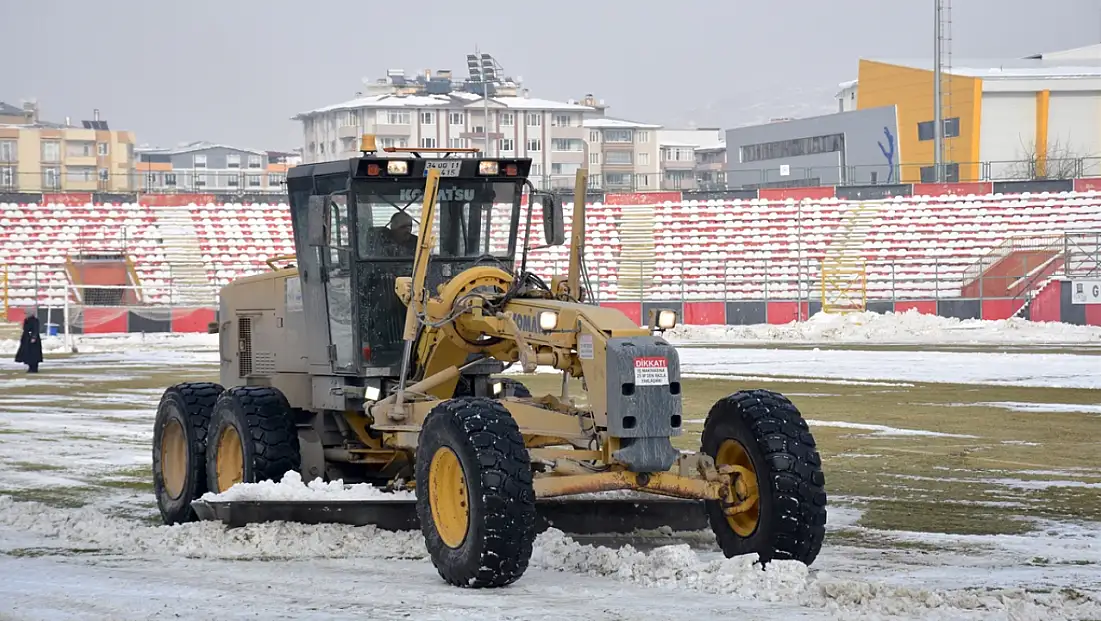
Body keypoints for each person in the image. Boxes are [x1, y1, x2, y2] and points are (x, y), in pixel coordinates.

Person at [14, 309, 43, 373]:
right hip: (26, 339)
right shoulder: (26, 320)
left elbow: (36, 329)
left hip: (33, 340)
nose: (25, 315)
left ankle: (34, 368)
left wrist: (34, 337)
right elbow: (25, 329)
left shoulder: (35, 320)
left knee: (34, 354)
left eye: (26, 313)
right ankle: (30, 367)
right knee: (28, 354)